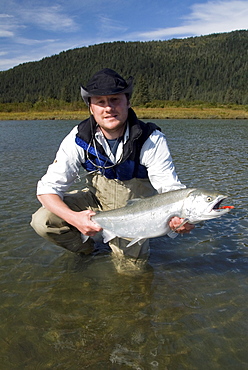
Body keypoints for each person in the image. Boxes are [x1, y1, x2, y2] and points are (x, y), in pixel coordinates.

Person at [31, 68, 193, 268]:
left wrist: (181, 217)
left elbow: (170, 189)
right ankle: (89, 248)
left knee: (131, 273)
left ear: (128, 102)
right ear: (91, 107)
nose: (108, 108)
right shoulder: (78, 138)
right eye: (100, 102)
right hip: (97, 201)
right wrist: (74, 218)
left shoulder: (151, 138)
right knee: (43, 220)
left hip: (138, 214)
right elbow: (47, 189)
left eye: (115, 100)